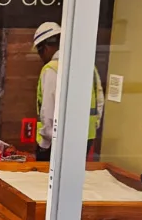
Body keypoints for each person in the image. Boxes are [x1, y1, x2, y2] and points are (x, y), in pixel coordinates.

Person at [33, 21, 105, 162]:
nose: (40, 57)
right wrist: (92, 131)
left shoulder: (52, 69)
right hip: (85, 137)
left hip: (57, 141)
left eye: (39, 52)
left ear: (46, 48)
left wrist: (45, 143)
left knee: (46, 181)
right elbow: (99, 103)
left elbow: (48, 111)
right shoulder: (88, 65)